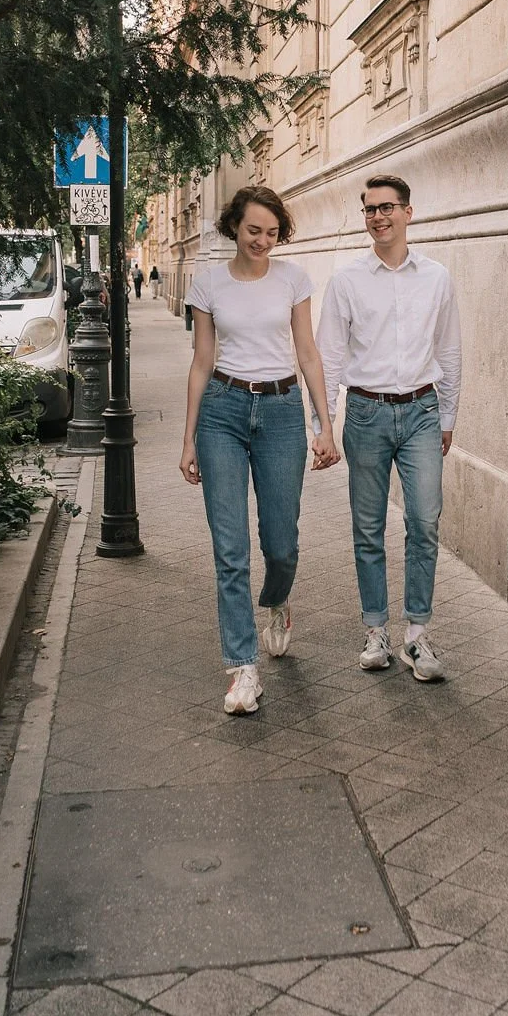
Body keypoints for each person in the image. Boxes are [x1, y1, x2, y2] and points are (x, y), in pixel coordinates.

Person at [179, 186, 340, 715]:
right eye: (254, 231)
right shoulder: (208, 283)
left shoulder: (293, 279)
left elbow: (308, 352)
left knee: (280, 543)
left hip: (279, 412)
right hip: (222, 412)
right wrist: (189, 438)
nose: (262, 242)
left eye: (272, 233)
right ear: (234, 226)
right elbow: (202, 361)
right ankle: (243, 669)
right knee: (229, 548)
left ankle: (275, 601)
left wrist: (324, 424)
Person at [315, 174, 461, 682]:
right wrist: (323, 426)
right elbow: (329, 357)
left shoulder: (436, 278)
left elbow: (449, 350)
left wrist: (447, 416)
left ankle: (417, 636)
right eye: (370, 209)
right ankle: (376, 628)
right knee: (368, 527)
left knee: (424, 522)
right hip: (366, 414)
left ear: (408, 212)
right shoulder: (347, 281)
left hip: (421, 411)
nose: (378, 217)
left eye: (387, 208)